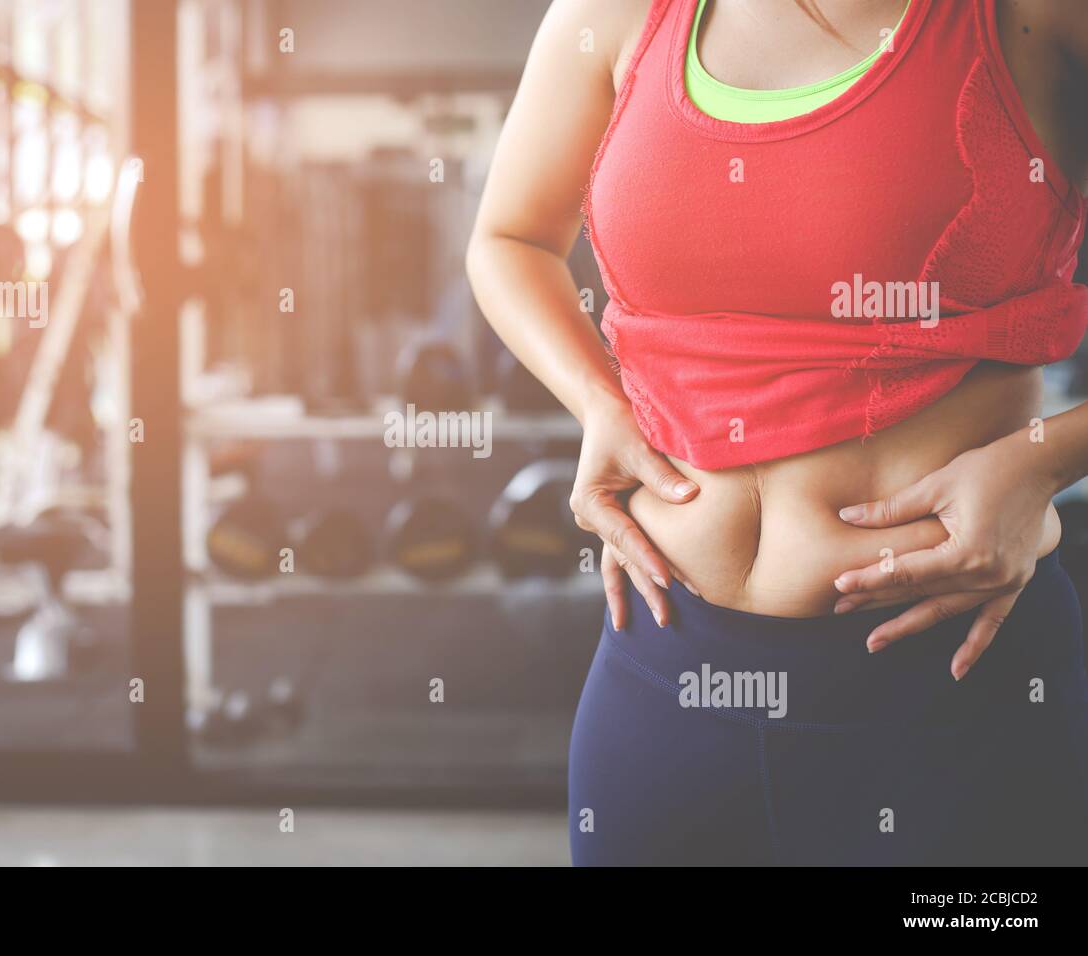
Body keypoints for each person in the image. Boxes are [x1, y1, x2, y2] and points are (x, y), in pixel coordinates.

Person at [466, 0, 1088, 864]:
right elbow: (509, 237)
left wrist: (1043, 460)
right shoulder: (615, 13)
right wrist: (601, 405)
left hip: (946, 690)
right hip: (663, 674)